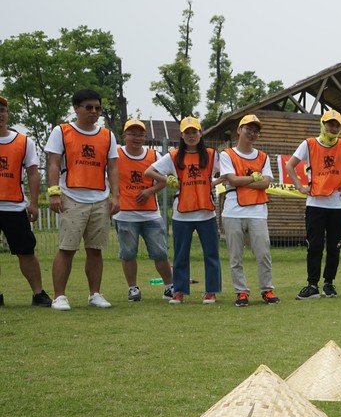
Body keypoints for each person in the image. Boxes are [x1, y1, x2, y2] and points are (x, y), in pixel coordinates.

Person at [44, 88, 119, 310]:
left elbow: (113, 167)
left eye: (98, 108)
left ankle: (95, 294)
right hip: (71, 197)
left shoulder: (107, 135)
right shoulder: (62, 131)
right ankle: (59, 296)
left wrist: (116, 196)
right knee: (67, 249)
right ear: (76, 108)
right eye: (89, 107)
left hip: (100, 198)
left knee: (95, 250)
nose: (94, 111)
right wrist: (54, 192)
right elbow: (53, 163)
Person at [285, 110, 341, 300]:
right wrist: (299, 186)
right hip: (315, 204)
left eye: (337, 125)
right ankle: (312, 285)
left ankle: (329, 284)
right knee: (314, 245)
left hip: (338, 206)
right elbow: (290, 165)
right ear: (323, 124)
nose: (333, 128)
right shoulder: (309, 144)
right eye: (330, 124)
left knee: (334, 247)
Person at [145, 116, 221, 304]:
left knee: (211, 255)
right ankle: (178, 291)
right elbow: (149, 171)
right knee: (180, 256)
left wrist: (213, 183)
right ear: (181, 135)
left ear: (200, 133)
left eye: (194, 132)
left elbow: (227, 173)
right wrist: (167, 180)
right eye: (187, 133)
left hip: (206, 213)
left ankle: (211, 292)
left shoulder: (211, 154)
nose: (191, 135)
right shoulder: (173, 156)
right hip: (182, 214)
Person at [219, 114, 279, 307]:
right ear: (239, 130)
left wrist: (240, 181)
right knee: (236, 256)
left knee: (263, 254)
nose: (252, 133)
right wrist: (253, 178)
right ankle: (241, 292)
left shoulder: (263, 157)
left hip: (257, 212)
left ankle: (267, 289)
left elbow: (265, 183)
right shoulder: (227, 154)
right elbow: (232, 179)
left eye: (256, 131)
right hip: (233, 212)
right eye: (248, 129)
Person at [113, 118, 173, 302]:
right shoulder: (116, 155)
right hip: (125, 214)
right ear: (124, 136)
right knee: (128, 253)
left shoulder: (154, 155)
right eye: (132, 134)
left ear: (145, 137)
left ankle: (170, 287)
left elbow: (166, 179)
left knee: (160, 253)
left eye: (140, 134)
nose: (137, 138)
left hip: (151, 214)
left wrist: (150, 191)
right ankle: (133, 288)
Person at [0, 95, 52, 307]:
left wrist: (33, 203)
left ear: (7, 114)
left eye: (2, 110)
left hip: (14, 205)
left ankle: (38, 293)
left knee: (26, 251)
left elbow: (32, 172)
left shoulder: (23, 142)